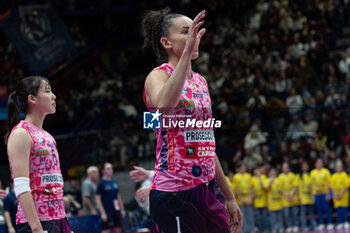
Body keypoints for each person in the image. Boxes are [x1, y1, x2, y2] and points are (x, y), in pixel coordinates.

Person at [142, 7, 242, 233]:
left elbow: (207, 144)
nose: (193, 37)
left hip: (208, 190)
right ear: (167, 43)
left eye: (196, 31)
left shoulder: (201, 82)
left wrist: (229, 197)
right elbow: (164, 108)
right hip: (174, 193)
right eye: (186, 32)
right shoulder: (157, 75)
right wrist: (186, 54)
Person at [5, 76, 72, 233]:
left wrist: (65, 224)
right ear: (32, 99)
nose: (54, 96)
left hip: (58, 219)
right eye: (48, 91)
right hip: (36, 224)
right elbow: (21, 186)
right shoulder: (21, 133)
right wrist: (37, 229)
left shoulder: (48, 136)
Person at [96, 162, 126, 233]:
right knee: (106, 230)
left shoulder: (114, 182)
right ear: (103, 171)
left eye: (111, 168)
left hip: (116, 210)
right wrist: (103, 213)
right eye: (108, 168)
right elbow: (98, 199)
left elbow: (118, 196)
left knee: (118, 228)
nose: (111, 170)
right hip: (107, 211)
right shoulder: (101, 183)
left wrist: (122, 209)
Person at [310, 158, 333, 230]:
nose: (319, 164)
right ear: (315, 164)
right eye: (318, 163)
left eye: (320, 163)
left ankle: (330, 223)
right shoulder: (312, 173)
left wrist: (329, 194)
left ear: (322, 164)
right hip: (316, 194)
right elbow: (311, 185)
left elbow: (329, 183)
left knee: (327, 208)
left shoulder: (326, 171)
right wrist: (312, 195)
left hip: (325, 193)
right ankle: (321, 223)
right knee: (319, 209)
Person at [233, 164, 254, 233]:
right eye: (242, 168)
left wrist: (251, 198)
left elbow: (251, 187)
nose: (243, 169)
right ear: (239, 169)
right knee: (242, 215)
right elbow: (236, 189)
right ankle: (244, 229)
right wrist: (240, 198)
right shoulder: (236, 177)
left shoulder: (248, 176)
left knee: (250, 214)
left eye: (244, 168)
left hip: (248, 197)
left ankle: (251, 229)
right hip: (240, 199)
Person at [278, 162, 299, 232]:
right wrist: (286, 194)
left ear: (288, 168)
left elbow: (296, 186)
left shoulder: (292, 175)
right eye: (283, 168)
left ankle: (295, 225)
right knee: (287, 214)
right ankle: (289, 226)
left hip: (293, 198)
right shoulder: (280, 177)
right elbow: (280, 188)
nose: (285, 169)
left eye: (286, 167)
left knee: (294, 213)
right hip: (285, 199)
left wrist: (291, 193)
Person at [330, 160, 350, 229]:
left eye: (340, 167)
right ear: (335, 168)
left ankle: (346, 222)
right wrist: (335, 195)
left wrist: (341, 194)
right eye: (337, 167)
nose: (338, 168)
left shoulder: (344, 175)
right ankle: (340, 222)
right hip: (336, 196)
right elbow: (332, 187)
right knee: (338, 210)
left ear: (342, 168)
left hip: (343, 196)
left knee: (345, 210)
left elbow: (346, 186)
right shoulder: (333, 176)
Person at [298, 161, 316, 231]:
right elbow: (297, 187)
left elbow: (311, 186)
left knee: (311, 212)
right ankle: (304, 226)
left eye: (306, 166)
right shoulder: (299, 176)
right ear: (301, 167)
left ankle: (313, 225)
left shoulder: (310, 175)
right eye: (304, 166)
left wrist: (312, 196)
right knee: (303, 213)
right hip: (303, 198)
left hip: (309, 197)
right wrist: (298, 196)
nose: (305, 167)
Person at [265, 168, 283, 233]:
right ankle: (275, 228)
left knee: (279, 217)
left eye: (274, 172)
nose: (273, 174)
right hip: (271, 203)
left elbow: (281, 190)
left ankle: (280, 228)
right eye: (271, 173)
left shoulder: (278, 180)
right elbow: (267, 190)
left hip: (279, 201)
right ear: (269, 174)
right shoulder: (267, 180)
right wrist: (270, 182)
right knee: (273, 218)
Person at [251, 168, 269, 233]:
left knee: (264, 216)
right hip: (257, 201)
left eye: (258, 171)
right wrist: (252, 197)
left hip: (263, 200)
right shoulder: (252, 179)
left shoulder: (263, 177)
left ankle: (266, 229)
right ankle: (260, 229)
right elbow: (252, 188)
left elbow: (264, 187)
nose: (257, 173)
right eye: (256, 172)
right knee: (258, 217)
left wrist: (260, 179)